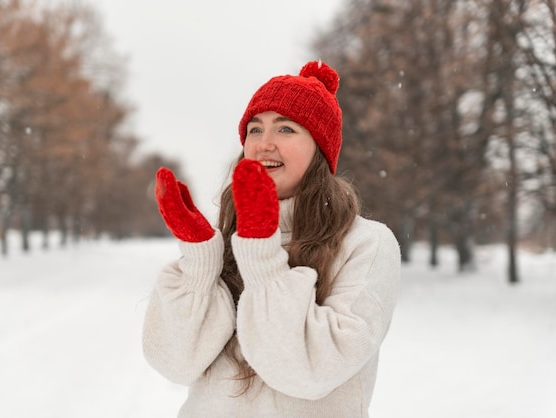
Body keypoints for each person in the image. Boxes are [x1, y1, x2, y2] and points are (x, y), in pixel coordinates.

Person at [142, 60, 401, 418]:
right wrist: (200, 261)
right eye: (254, 129)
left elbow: (312, 372)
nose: (264, 144)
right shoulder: (227, 243)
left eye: (286, 129)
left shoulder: (366, 244)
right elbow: (175, 363)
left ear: (319, 150)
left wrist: (262, 257)